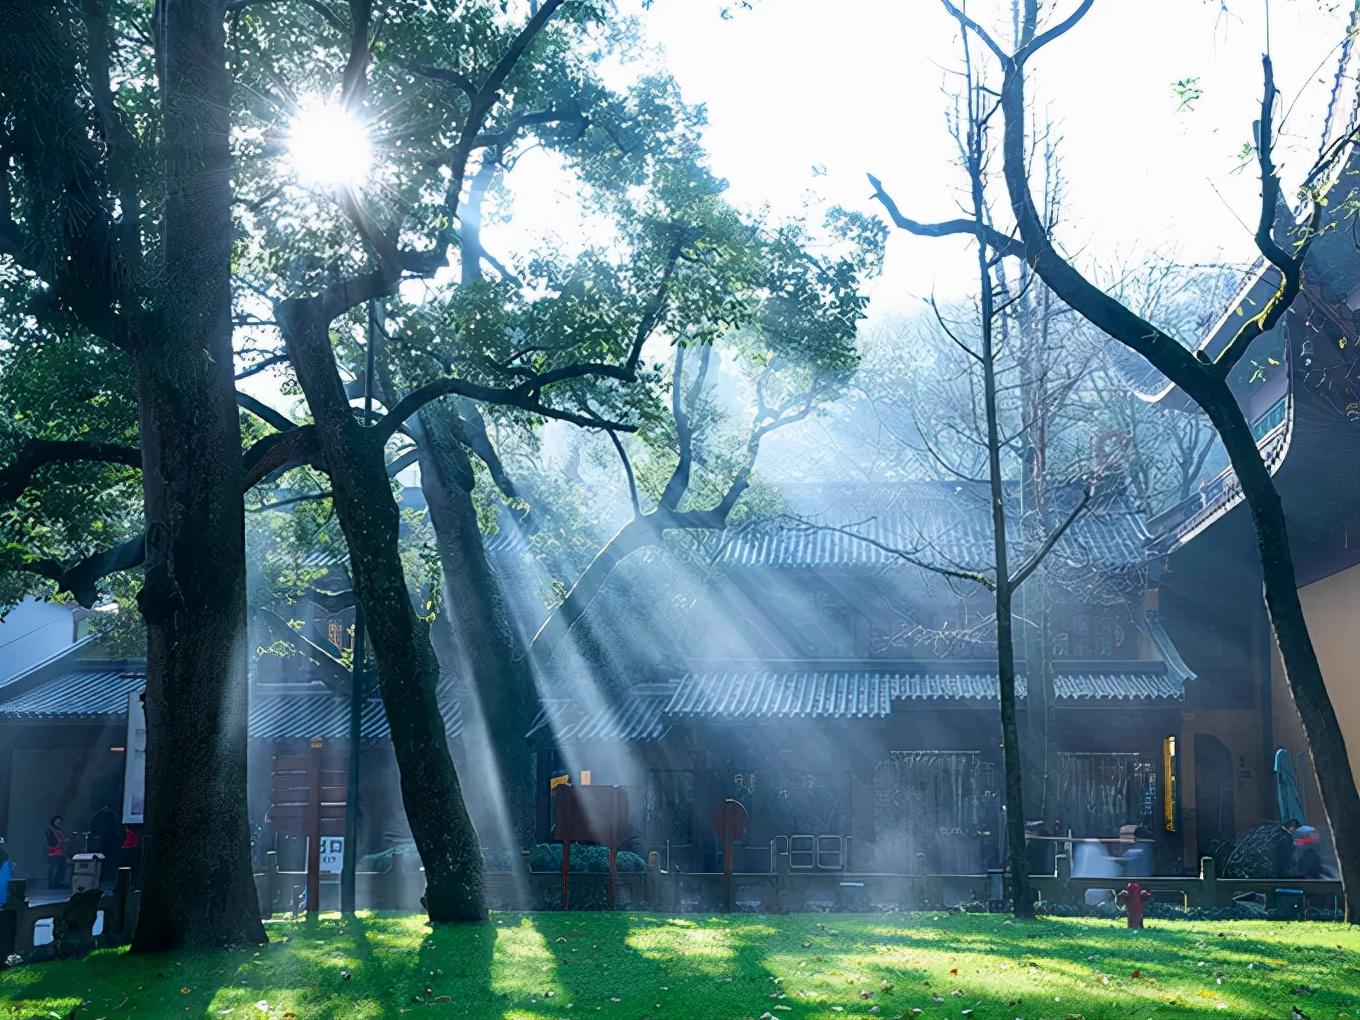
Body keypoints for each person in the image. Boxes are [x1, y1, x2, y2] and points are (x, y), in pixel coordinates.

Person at [44, 814, 67, 889]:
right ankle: (52, 883)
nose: (59, 823)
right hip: (52, 853)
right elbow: (51, 842)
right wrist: (62, 842)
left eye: (60, 822)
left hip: (61, 852)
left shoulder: (60, 830)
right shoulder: (49, 830)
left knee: (61, 867)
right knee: (54, 868)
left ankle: (58, 882)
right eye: (57, 821)